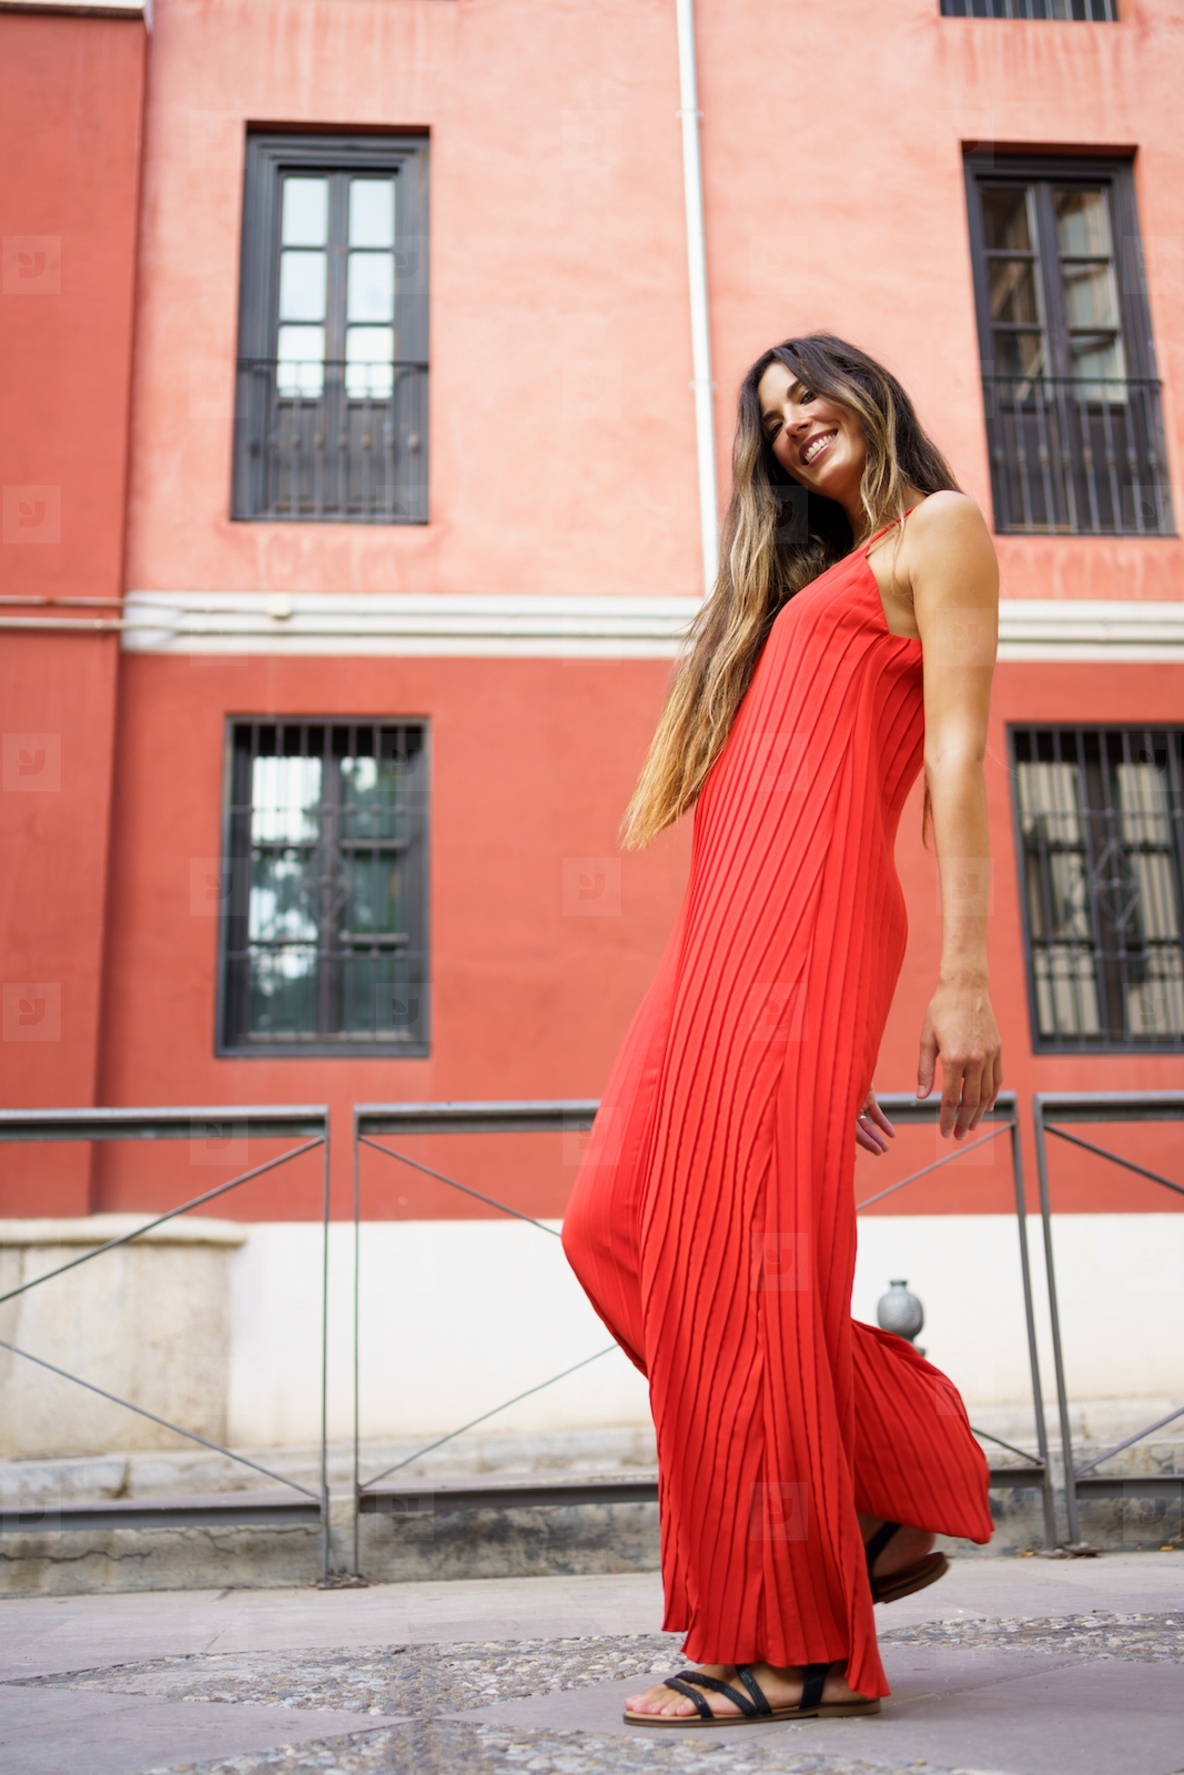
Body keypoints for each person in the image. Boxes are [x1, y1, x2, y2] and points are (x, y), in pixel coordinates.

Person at [562, 334, 1001, 1727]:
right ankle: (874, 1494)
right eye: (769, 418)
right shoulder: (804, 579)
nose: (792, 424)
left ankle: (790, 1642)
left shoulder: (939, 529)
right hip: (720, 941)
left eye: (808, 392)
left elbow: (956, 754)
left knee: (742, 1267)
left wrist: (962, 982)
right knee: (615, 1225)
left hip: (807, 928)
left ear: (869, 392)